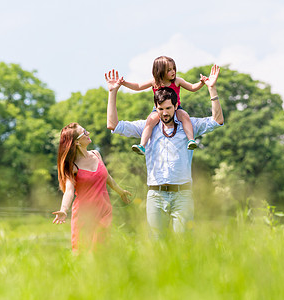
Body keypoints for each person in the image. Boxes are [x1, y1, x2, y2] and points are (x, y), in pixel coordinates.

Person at [105, 65, 223, 238]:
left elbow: (217, 120)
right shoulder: (147, 127)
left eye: (168, 108)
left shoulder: (187, 124)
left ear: (176, 105)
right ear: (155, 107)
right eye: (161, 109)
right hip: (156, 195)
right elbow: (113, 125)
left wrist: (211, 89)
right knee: (157, 245)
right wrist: (113, 92)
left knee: (183, 244)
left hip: (182, 195)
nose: (165, 113)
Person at [52, 122, 131, 251]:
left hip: (104, 211)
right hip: (85, 215)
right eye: (84, 132)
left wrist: (121, 192)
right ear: (77, 142)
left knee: (101, 252)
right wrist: (64, 209)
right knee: (81, 252)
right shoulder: (73, 167)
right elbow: (69, 191)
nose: (88, 133)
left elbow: (108, 178)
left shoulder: (96, 154)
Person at [119, 56, 207, 155]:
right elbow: (138, 86)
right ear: (160, 71)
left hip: (176, 108)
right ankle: (142, 145)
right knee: (150, 121)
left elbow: (192, 87)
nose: (173, 71)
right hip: (158, 110)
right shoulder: (154, 82)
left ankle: (191, 140)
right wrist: (124, 83)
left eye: (174, 68)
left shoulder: (177, 81)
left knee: (185, 116)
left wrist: (201, 83)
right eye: (169, 70)